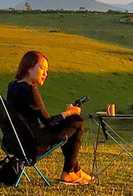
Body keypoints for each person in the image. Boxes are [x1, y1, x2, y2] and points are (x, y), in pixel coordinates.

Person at [6, 50, 92, 184]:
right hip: (32, 145)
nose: (45, 74)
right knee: (77, 122)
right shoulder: (29, 90)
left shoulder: (13, 86)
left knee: (71, 121)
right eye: (42, 68)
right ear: (29, 68)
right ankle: (69, 172)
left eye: (47, 70)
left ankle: (76, 170)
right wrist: (69, 113)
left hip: (14, 142)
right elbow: (48, 122)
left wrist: (67, 115)